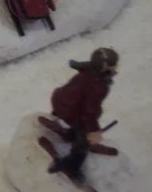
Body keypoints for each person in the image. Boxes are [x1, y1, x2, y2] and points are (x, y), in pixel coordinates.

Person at [47, 48, 119, 182]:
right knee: (84, 139)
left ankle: (70, 133)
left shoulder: (88, 69)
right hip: (70, 110)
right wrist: (93, 132)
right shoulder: (99, 87)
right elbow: (89, 113)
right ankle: (71, 166)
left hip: (59, 99)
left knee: (95, 112)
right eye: (114, 65)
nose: (116, 68)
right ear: (105, 68)